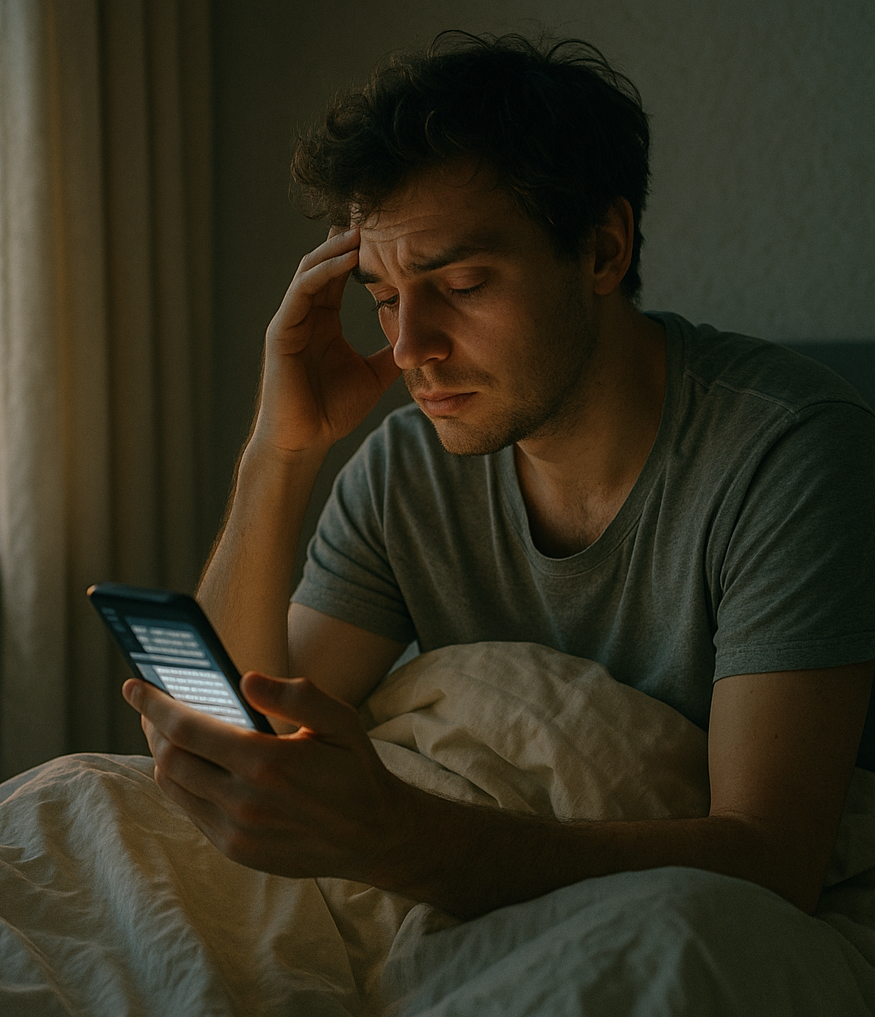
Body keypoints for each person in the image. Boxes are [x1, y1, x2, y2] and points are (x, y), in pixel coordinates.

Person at [123, 32, 874, 923]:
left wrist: (395, 837)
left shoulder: (789, 453)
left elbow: (768, 860)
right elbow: (246, 748)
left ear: (602, 250)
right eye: (385, 298)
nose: (409, 350)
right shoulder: (405, 471)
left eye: (464, 284)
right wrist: (277, 455)